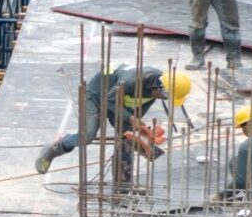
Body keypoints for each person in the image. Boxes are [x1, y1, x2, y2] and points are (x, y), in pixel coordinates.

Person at [34, 66, 190, 183]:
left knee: (127, 138)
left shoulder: (157, 90)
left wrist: (139, 132)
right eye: (165, 95)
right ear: (158, 87)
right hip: (97, 96)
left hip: (119, 100)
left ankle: (122, 183)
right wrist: (130, 119)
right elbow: (108, 102)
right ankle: (53, 149)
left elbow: (138, 112)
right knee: (87, 135)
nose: (164, 98)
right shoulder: (132, 81)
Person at [212, 104, 252, 201]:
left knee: (235, 162)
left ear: (249, 125)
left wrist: (221, 196)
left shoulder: (248, 145)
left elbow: (241, 181)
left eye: (242, 126)